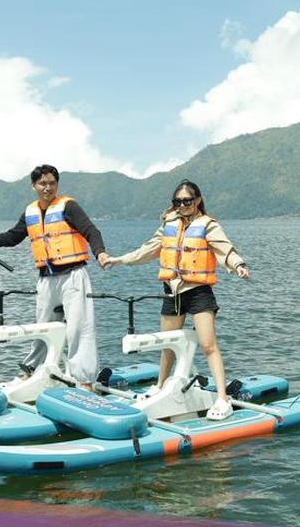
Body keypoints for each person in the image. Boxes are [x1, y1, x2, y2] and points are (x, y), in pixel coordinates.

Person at [105, 179, 249, 420]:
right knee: (168, 344)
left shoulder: (208, 225)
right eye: (178, 202)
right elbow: (148, 250)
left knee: (208, 345)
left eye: (187, 201)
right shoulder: (169, 225)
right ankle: (160, 385)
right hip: (172, 291)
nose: (182, 205)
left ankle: (223, 398)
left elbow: (225, 249)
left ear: (197, 201)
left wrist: (238, 265)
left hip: (198, 292)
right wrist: (119, 260)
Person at [0, 164, 109, 390]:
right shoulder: (30, 212)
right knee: (42, 328)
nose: (48, 188)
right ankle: (33, 372)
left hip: (73, 277)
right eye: (43, 183)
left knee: (79, 329)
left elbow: (91, 231)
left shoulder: (69, 206)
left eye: (52, 183)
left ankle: (85, 381)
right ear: (34, 186)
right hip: (46, 280)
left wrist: (100, 253)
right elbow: (11, 237)